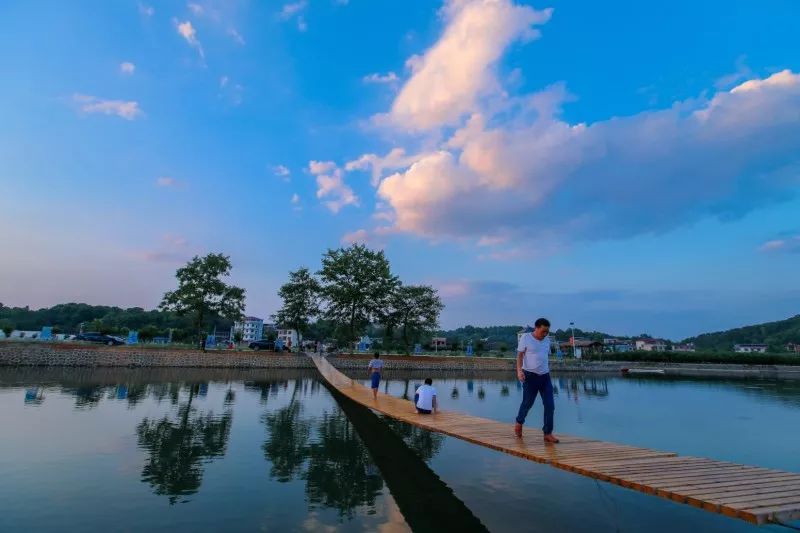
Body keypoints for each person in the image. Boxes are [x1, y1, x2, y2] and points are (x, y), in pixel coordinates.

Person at [514, 318, 559, 443]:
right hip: (530, 376)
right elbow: (520, 355)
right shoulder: (526, 338)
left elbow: (543, 356)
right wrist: (519, 371)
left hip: (545, 377)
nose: (545, 334)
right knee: (527, 403)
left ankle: (547, 433)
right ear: (536, 328)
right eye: (543, 331)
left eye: (547, 332)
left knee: (550, 405)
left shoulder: (547, 341)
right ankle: (519, 421)